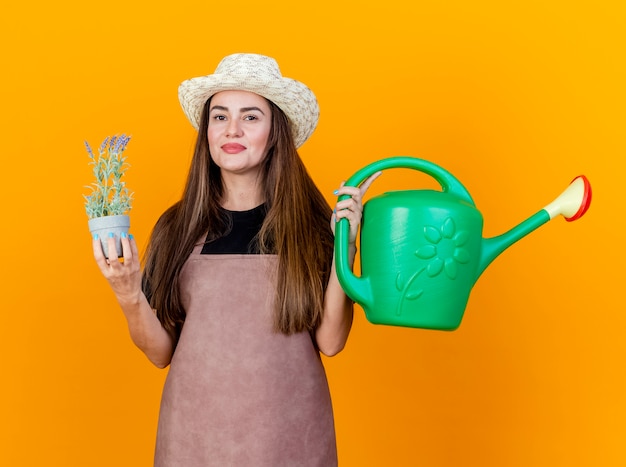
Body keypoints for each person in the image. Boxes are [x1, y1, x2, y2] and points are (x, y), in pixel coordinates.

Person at [92, 53, 379, 466]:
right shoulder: (177, 227)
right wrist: (128, 294)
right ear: (206, 130)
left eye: (251, 117)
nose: (232, 130)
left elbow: (331, 342)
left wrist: (344, 247)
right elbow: (160, 353)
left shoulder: (313, 225)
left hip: (290, 440)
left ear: (275, 132)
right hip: (193, 441)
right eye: (220, 116)